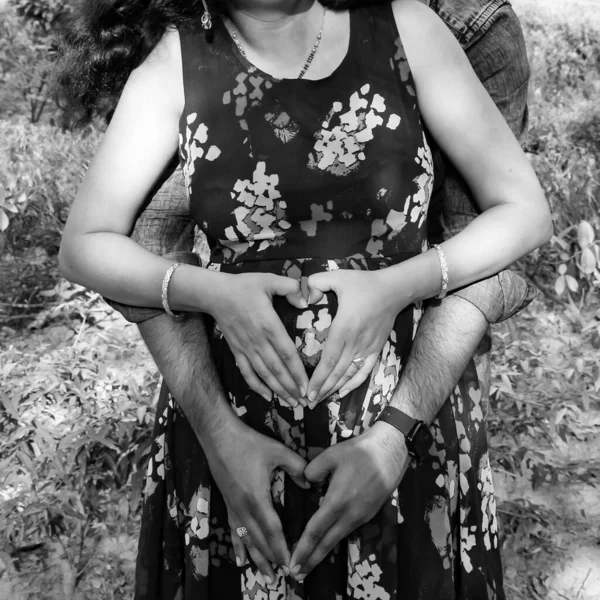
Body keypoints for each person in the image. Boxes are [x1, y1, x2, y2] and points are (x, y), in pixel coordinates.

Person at [57, 0, 552, 598]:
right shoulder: (179, 58)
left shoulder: (408, 29)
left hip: (404, 434)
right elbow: (85, 243)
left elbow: (523, 211)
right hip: (236, 441)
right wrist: (209, 291)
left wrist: (399, 285)